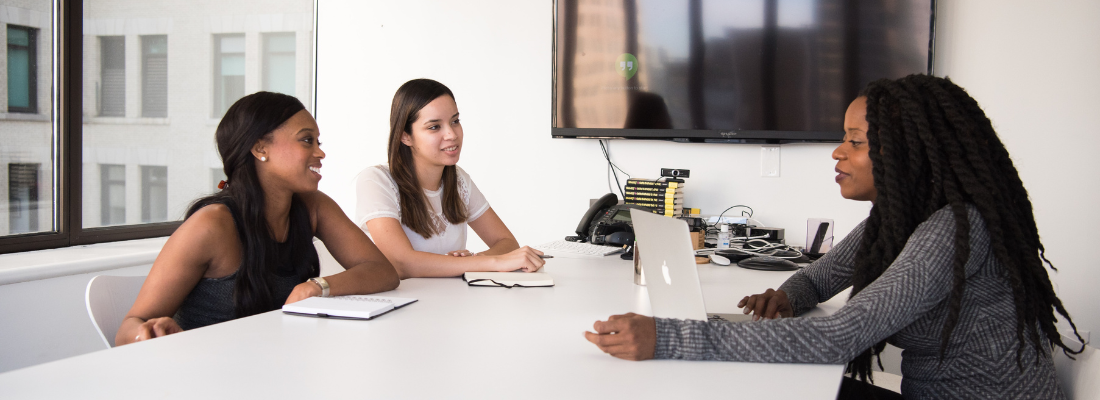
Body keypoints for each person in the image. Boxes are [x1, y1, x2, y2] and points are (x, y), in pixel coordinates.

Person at [583, 75, 1083, 398]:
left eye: (856, 141)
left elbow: (840, 337)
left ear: (911, 153)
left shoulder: (954, 229)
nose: (837, 153)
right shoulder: (899, 219)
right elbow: (821, 279)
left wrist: (668, 337)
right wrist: (788, 296)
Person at [116, 92, 400, 346]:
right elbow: (128, 329)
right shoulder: (212, 226)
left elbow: (382, 271)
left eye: (318, 141)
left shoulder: (313, 206)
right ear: (260, 148)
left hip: (275, 365)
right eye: (306, 140)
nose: (320, 152)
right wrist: (148, 332)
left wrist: (317, 286)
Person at [355, 79, 545, 278]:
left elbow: (506, 242)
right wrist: (482, 263)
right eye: (434, 127)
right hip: (403, 305)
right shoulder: (376, 181)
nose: (452, 134)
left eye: (455, 121)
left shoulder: (458, 179)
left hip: (452, 302)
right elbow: (402, 263)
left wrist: (470, 261)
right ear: (405, 136)